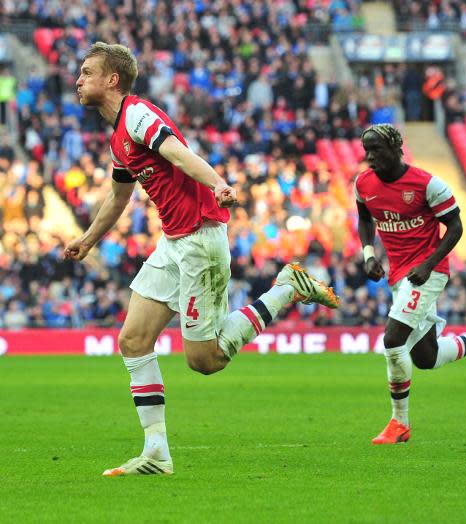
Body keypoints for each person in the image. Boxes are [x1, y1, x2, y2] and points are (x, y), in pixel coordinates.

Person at [64, 43, 340, 476]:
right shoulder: (118, 135)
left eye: (86, 72)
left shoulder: (138, 115)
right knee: (133, 340)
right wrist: (88, 240)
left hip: (200, 239)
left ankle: (287, 288)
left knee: (204, 360)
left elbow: (177, 151)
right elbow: (119, 196)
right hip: (173, 241)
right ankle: (156, 453)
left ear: (111, 80)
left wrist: (217, 184)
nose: (78, 79)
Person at [355, 124, 466, 445]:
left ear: (396, 147)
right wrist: (368, 254)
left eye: (376, 150)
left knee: (392, 341)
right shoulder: (363, 183)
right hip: (399, 274)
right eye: (367, 151)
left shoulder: (428, 185)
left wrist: (429, 263)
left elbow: (456, 228)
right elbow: (364, 218)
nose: (370, 157)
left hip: (428, 272)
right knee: (426, 357)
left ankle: (399, 423)